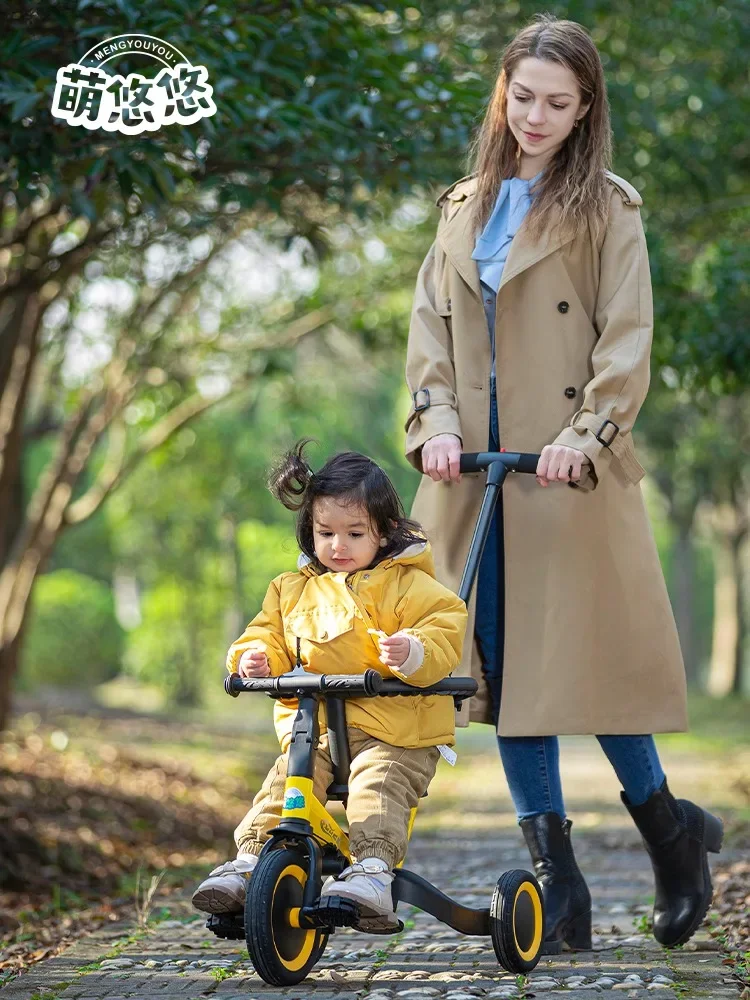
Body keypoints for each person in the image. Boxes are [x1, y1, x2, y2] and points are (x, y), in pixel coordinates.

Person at [403, 14, 722, 953]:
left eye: (558, 102)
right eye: (523, 96)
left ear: (586, 111)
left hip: (565, 474)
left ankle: (672, 837)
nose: (535, 116)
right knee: (502, 675)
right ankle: (559, 885)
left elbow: (627, 340)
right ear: (502, 93)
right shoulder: (461, 204)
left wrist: (586, 434)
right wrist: (437, 424)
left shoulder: (608, 209)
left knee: (591, 677)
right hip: (472, 474)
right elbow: (430, 333)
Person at [192, 440, 467, 931]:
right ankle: (251, 861)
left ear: (383, 534)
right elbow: (267, 634)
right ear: (310, 531)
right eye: (326, 533)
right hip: (317, 730)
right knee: (286, 781)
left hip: (398, 732)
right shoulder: (290, 590)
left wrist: (413, 650)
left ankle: (373, 870)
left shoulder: (412, 587)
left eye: (355, 533)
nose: (338, 546)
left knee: (377, 786)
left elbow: (443, 630)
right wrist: (255, 659)